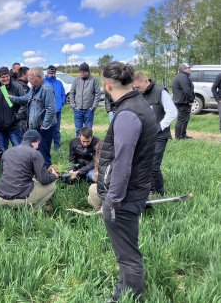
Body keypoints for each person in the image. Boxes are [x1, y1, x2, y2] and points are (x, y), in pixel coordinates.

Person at [97, 62, 156, 302]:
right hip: (135, 189)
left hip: (125, 195)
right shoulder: (138, 104)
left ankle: (127, 297)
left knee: (128, 255)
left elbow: (123, 162)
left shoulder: (128, 115)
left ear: (107, 85)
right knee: (127, 249)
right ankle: (124, 290)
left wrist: (112, 200)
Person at [133, 72, 177, 196]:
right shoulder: (139, 94)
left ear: (145, 81)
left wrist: (158, 128)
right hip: (144, 135)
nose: (135, 89)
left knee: (153, 165)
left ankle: (160, 191)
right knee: (144, 163)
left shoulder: (160, 91)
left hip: (159, 136)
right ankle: (150, 189)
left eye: (137, 87)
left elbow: (172, 112)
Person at [0, 129, 58, 210]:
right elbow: (44, 180)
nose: (37, 147)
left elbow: (3, 172)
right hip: (16, 199)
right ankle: (33, 209)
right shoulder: (35, 153)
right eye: (38, 144)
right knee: (52, 186)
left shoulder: (7, 152)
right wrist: (54, 175)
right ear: (35, 141)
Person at [11, 67, 56, 167]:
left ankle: (46, 172)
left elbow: (51, 109)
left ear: (39, 77)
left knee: (44, 151)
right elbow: (25, 99)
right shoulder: (33, 88)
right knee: (37, 150)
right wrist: (13, 98)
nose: (29, 81)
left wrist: (44, 125)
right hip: (36, 126)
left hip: (45, 128)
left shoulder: (46, 89)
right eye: (29, 79)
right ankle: (39, 170)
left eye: (31, 79)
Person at [0, 66, 25, 152]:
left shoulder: (17, 87)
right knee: (2, 150)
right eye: (2, 77)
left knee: (18, 148)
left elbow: (24, 104)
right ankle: (4, 165)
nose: (5, 79)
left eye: (7, 76)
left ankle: (20, 165)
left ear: (10, 76)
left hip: (13, 126)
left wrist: (16, 117)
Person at [69, 62, 101, 136]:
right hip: (78, 110)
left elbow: (97, 93)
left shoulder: (94, 80)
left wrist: (93, 107)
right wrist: (73, 106)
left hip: (89, 111)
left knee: (88, 131)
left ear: (88, 72)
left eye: (83, 72)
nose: (81, 74)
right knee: (78, 131)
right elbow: (72, 93)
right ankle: (78, 147)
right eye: (80, 72)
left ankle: (88, 146)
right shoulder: (76, 80)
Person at [44, 65, 66, 150]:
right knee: (47, 129)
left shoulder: (59, 83)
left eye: (54, 73)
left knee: (56, 130)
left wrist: (62, 102)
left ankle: (57, 146)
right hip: (47, 112)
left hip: (57, 111)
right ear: (47, 73)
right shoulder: (44, 83)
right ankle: (47, 146)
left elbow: (63, 94)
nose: (52, 75)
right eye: (50, 73)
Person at [172, 63, 195, 140]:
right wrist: (192, 98)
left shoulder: (183, 76)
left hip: (183, 101)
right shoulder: (182, 77)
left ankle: (183, 135)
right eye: (188, 68)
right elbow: (187, 90)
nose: (190, 69)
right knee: (181, 120)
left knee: (185, 119)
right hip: (182, 102)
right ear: (184, 69)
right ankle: (178, 137)